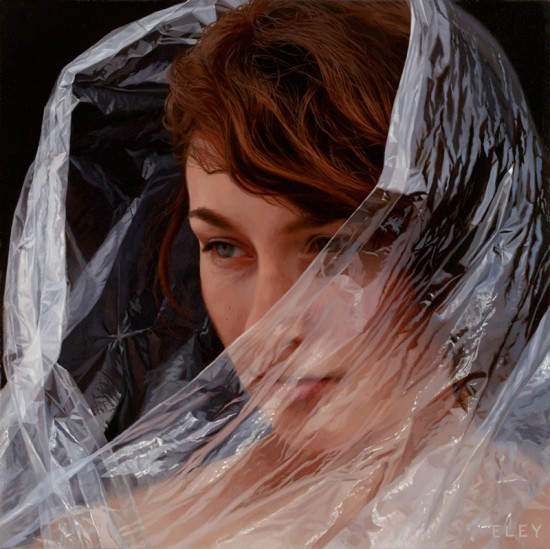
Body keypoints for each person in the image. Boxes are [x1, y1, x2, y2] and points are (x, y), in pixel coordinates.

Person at [1, 0, 548, 547]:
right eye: (224, 248)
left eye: (334, 248)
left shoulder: (527, 527)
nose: (269, 321)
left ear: (461, 245)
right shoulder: (111, 538)